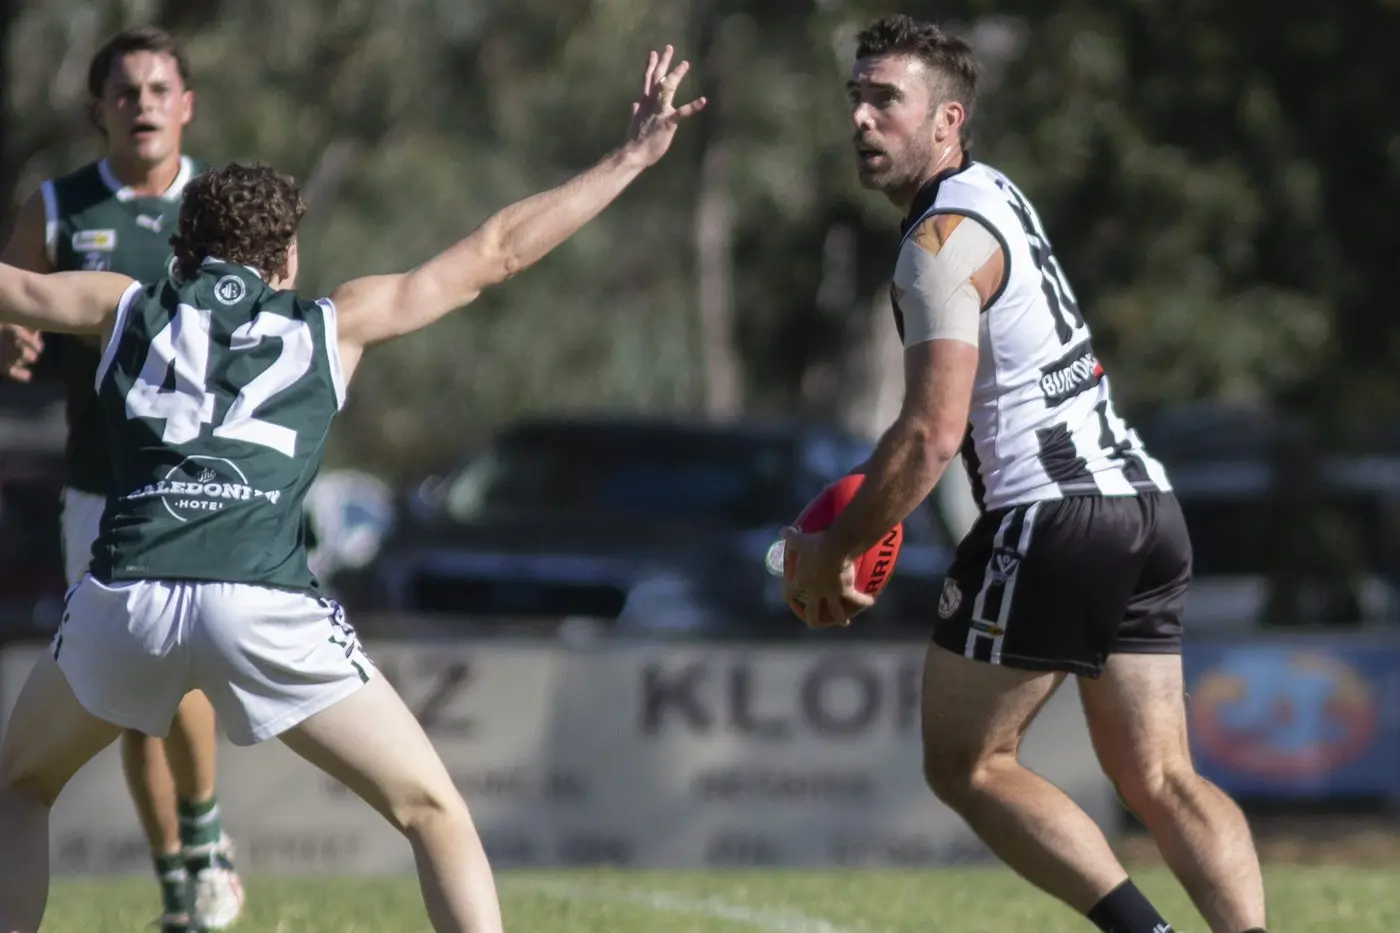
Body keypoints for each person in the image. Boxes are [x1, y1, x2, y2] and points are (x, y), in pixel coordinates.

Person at [0, 44, 702, 933]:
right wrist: (629, 156)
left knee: (21, 789)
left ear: (181, 247)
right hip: (262, 604)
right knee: (432, 812)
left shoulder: (123, 305)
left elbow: (13, 287)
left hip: (127, 598)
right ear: (287, 255)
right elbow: (496, 252)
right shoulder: (336, 323)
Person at [780, 15, 1267, 933]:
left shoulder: (936, 247)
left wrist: (833, 548)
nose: (861, 119)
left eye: (886, 100)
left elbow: (930, 435)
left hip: (1051, 516)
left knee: (966, 761)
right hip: (1145, 506)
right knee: (1162, 775)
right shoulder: (997, 192)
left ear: (947, 120)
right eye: (857, 97)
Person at [0, 26, 243, 933]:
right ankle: (181, 876)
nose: (142, 104)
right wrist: (12, 340)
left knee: (176, 679)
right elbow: (14, 301)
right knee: (126, 697)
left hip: (193, 484)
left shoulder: (220, 207)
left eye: (158, 88)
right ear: (99, 108)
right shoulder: (59, 208)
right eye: (125, 90)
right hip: (97, 485)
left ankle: (208, 834)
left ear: (186, 105)